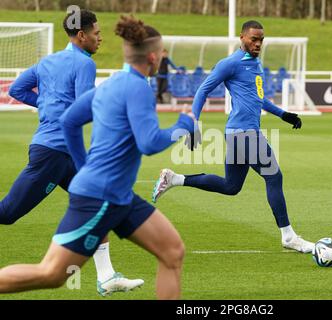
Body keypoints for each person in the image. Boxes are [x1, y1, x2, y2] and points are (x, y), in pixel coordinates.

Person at [0, 15, 195, 299]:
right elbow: (150, 143)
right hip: (101, 194)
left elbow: (69, 121)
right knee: (52, 273)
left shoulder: (112, 83)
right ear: (153, 57)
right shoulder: (138, 87)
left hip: (119, 195)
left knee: (172, 251)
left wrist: (82, 165)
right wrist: (182, 126)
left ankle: (107, 277)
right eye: (162, 53)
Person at [4, 9, 143, 295]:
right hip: (54, 154)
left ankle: (106, 277)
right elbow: (83, 107)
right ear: (82, 35)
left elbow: (17, 89)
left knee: (100, 202)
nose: (100, 38)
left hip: (61, 152)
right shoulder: (84, 63)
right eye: (97, 33)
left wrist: (45, 104)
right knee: (7, 213)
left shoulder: (48, 61)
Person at [152, 20, 314, 253]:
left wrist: (283, 114)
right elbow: (203, 90)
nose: (258, 44)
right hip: (244, 133)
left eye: (261, 40)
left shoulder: (255, 64)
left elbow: (258, 98)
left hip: (239, 134)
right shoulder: (230, 63)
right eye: (253, 39)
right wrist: (193, 121)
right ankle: (288, 236)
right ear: (242, 38)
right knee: (274, 176)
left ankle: (175, 179)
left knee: (231, 186)